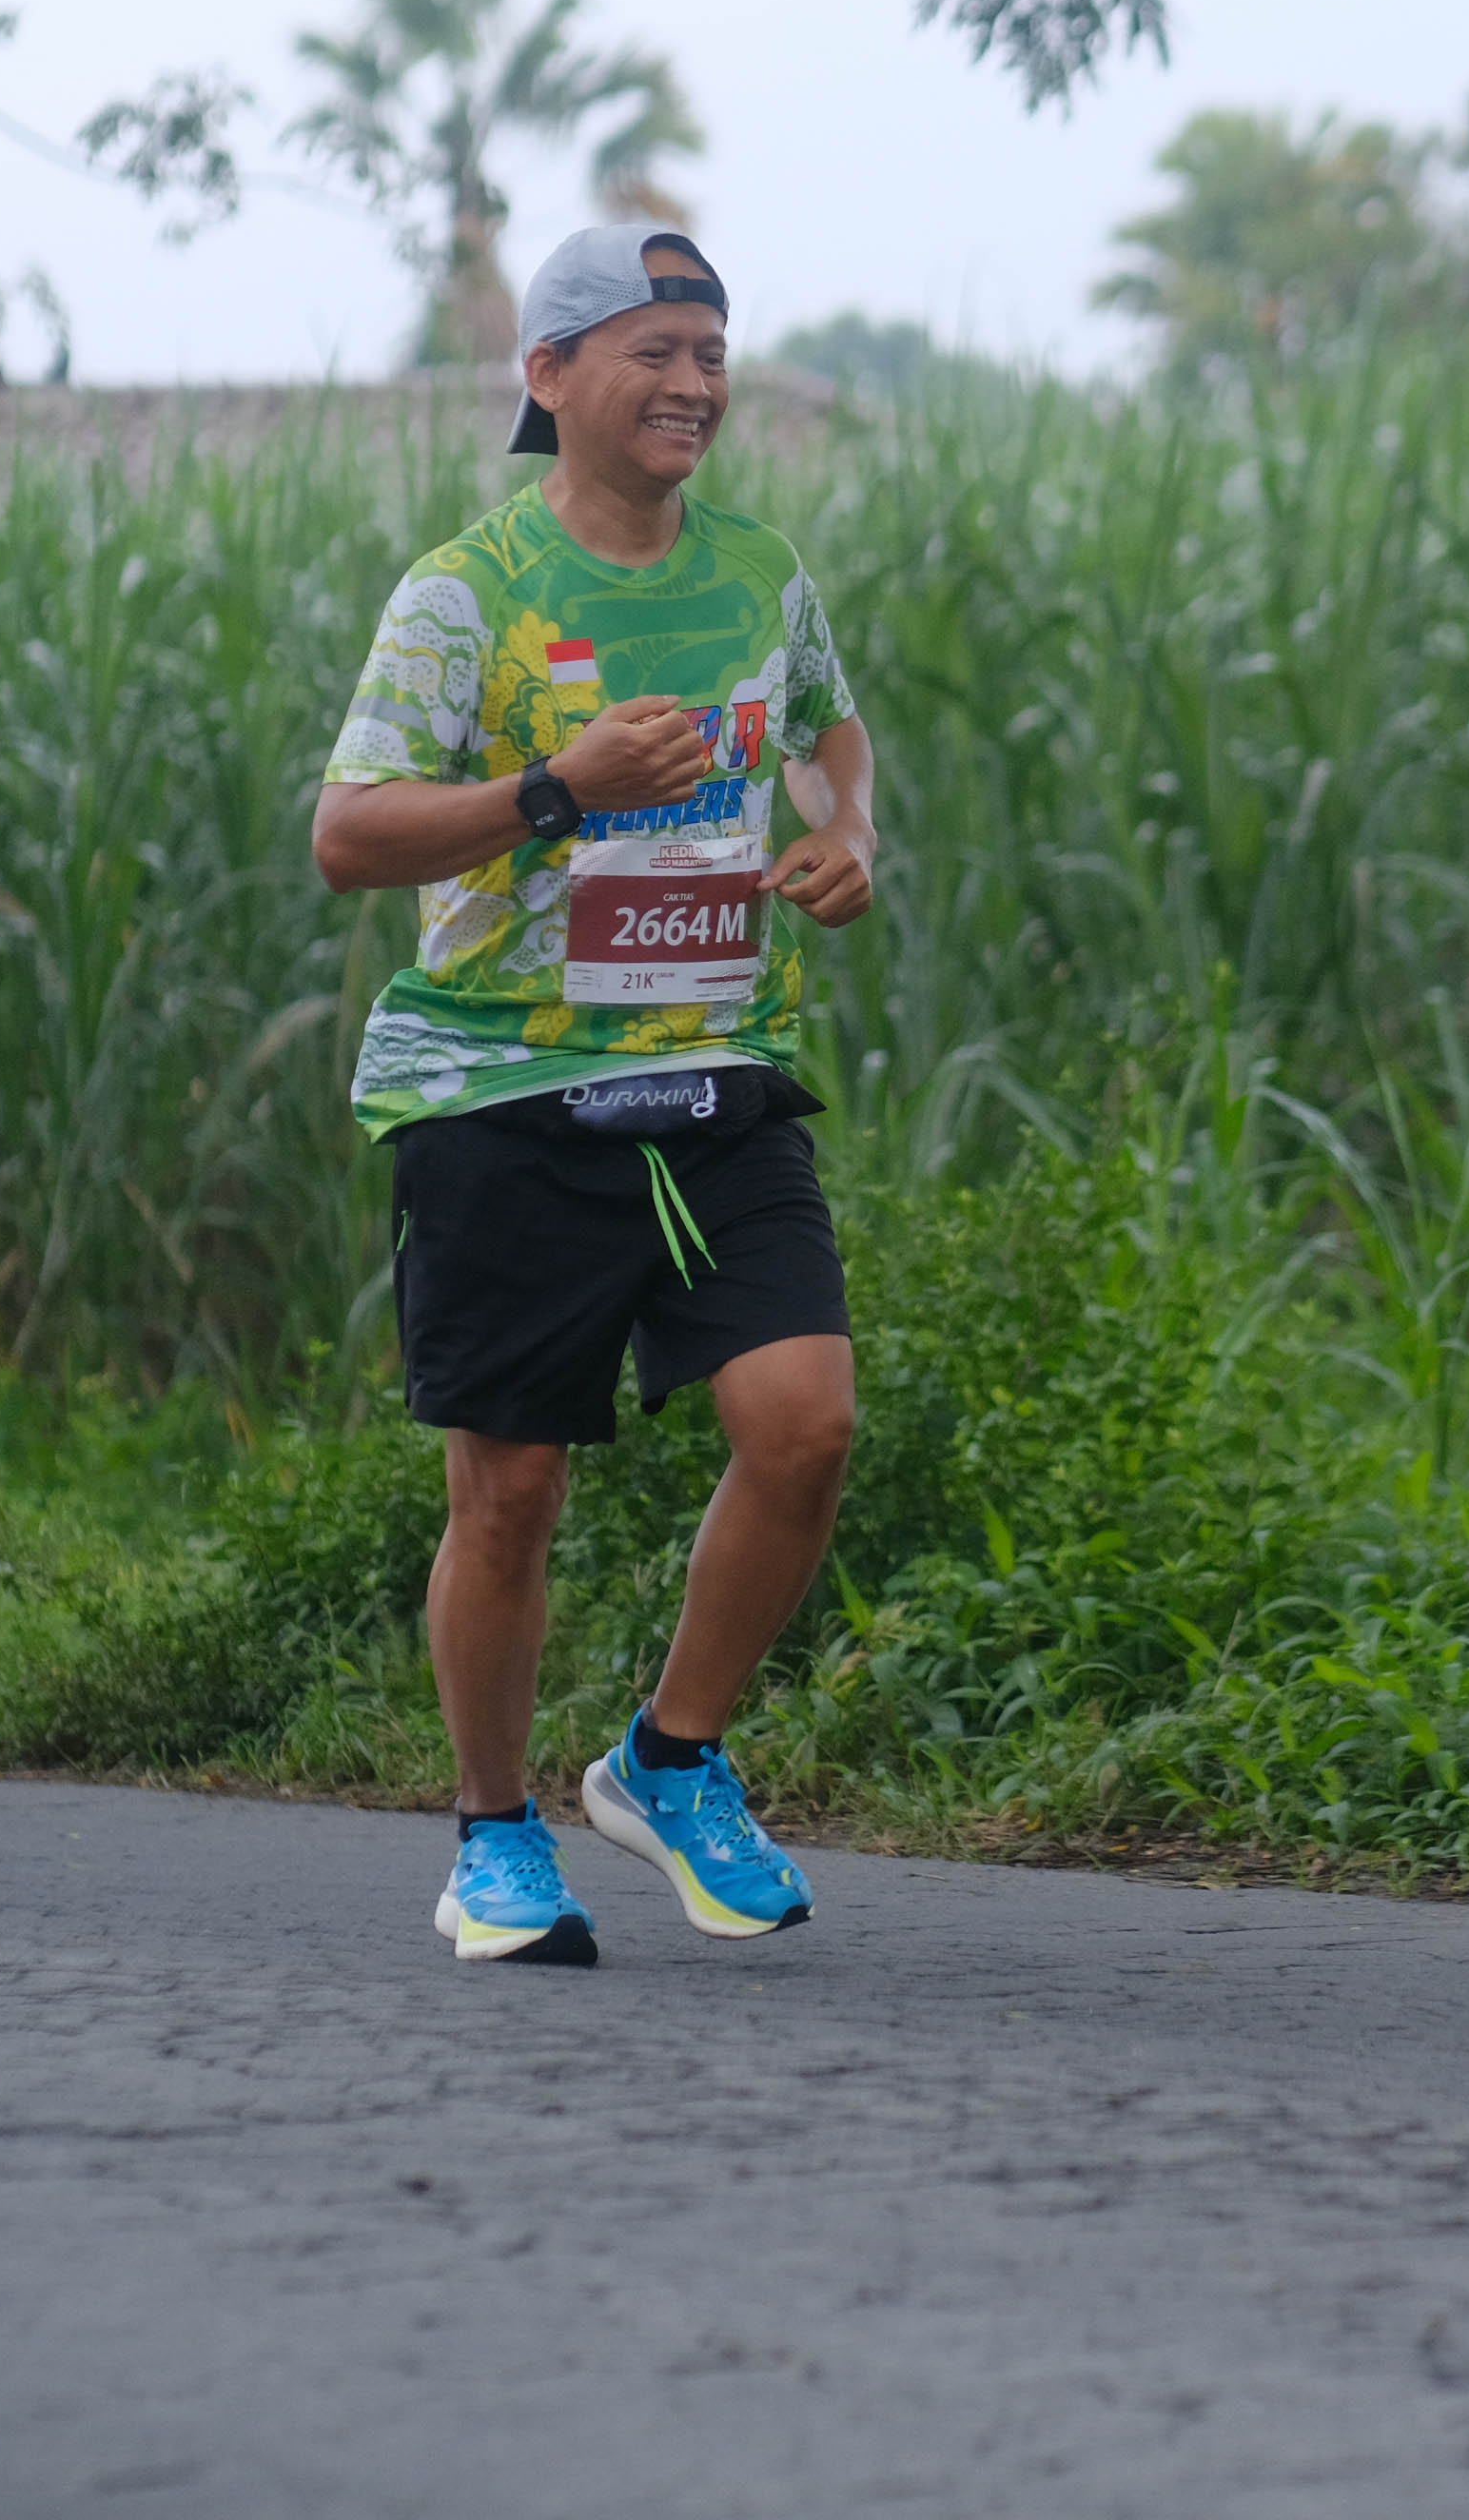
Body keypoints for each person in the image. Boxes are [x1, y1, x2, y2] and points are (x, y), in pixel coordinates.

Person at [315, 224, 880, 1966]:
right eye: (657, 351)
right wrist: (557, 788)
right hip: (502, 1085)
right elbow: (350, 834)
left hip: (716, 1067)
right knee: (511, 1492)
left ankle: (669, 1759)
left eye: (713, 354)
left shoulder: (761, 571)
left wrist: (848, 831)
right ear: (550, 372)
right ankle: (494, 1835)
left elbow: (830, 731)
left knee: (806, 1422)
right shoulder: (465, 592)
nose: (696, 385)